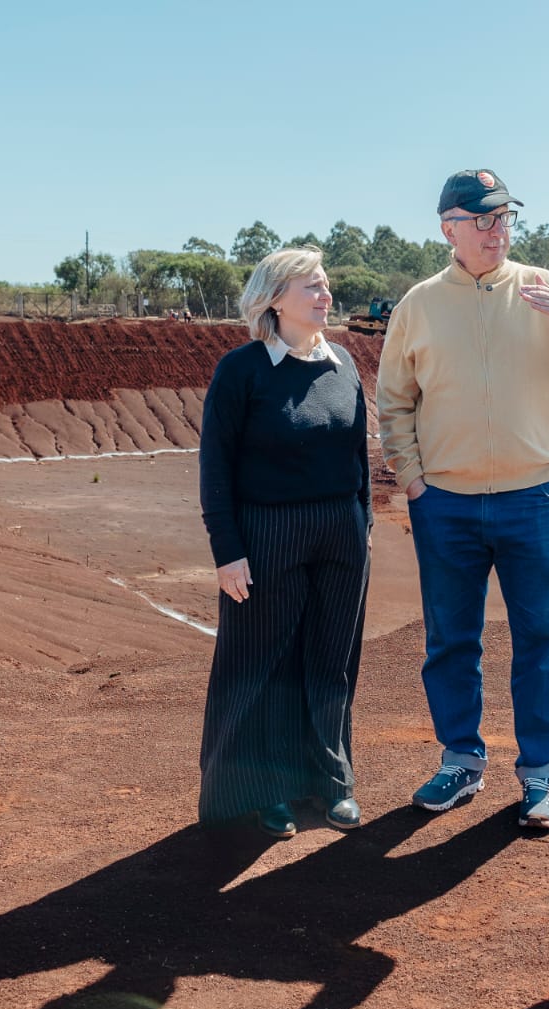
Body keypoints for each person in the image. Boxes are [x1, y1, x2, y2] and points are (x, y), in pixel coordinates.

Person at [377, 168, 549, 829]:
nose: (497, 230)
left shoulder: (546, 290)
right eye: (483, 219)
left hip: (533, 497)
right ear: (448, 227)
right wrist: (414, 478)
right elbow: (394, 401)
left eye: (506, 217)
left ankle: (540, 775)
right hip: (446, 504)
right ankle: (460, 759)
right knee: (451, 638)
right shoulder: (420, 306)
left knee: (543, 637)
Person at [197, 247, 372, 839]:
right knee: (263, 663)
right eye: (311, 288)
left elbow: (358, 458)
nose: (325, 296)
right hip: (267, 533)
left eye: (325, 285)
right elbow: (215, 465)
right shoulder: (241, 370)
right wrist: (228, 550)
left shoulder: (343, 363)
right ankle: (262, 790)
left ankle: (331, 783)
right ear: (275, 298)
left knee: (330, 660)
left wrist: (362, 528)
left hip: (340, 535)